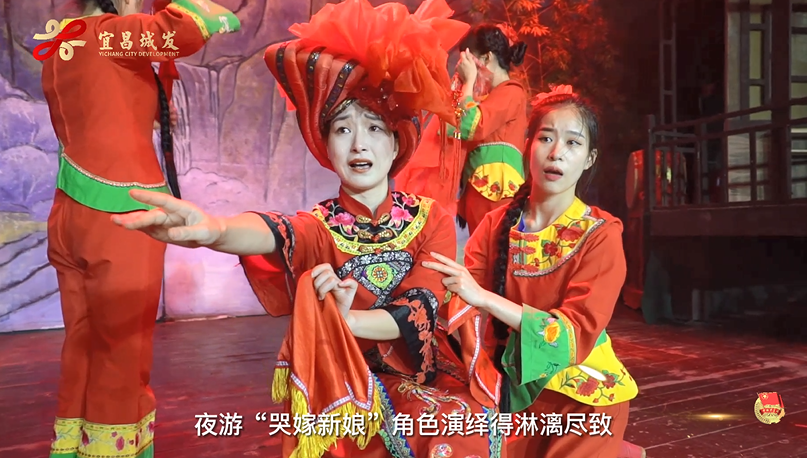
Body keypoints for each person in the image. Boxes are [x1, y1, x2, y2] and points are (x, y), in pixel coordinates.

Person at [111, 1, 503, 457]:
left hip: (422, 374)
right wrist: (214, 229)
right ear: (325, 144)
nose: (359, 144)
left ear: (397, 141)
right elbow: (274, 231)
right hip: (341, 379)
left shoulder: (429, 218)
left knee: (462, 427)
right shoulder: (321, 225)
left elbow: (421, 305)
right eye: (343, 129)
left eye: (375, 128)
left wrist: (348, 320)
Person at [43, 1, 240, 457]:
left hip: (71, 210)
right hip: (122, 212)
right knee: (122, 349)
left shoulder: (62, 41)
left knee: (83, 342)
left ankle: (70, 449)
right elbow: (185, 27)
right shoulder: (109, 34)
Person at [423, 87, 640, 458]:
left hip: (582, 397)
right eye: (546, 138)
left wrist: (484, 298)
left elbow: (573, 335)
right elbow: (458, 299)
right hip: (509, 388)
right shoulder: (496, 224)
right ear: (528, 146)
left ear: (589, 159)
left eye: (573, 143)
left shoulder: (601, 234)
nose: (556, 153)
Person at [453, 24, 529, 234]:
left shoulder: (512, 92)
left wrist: (468, 83)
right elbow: (453, 128)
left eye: (470, 62)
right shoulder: (489, 97)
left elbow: (471, 126)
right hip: (482, 189)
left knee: (493, 249)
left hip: (495, 191)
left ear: (486, 58)